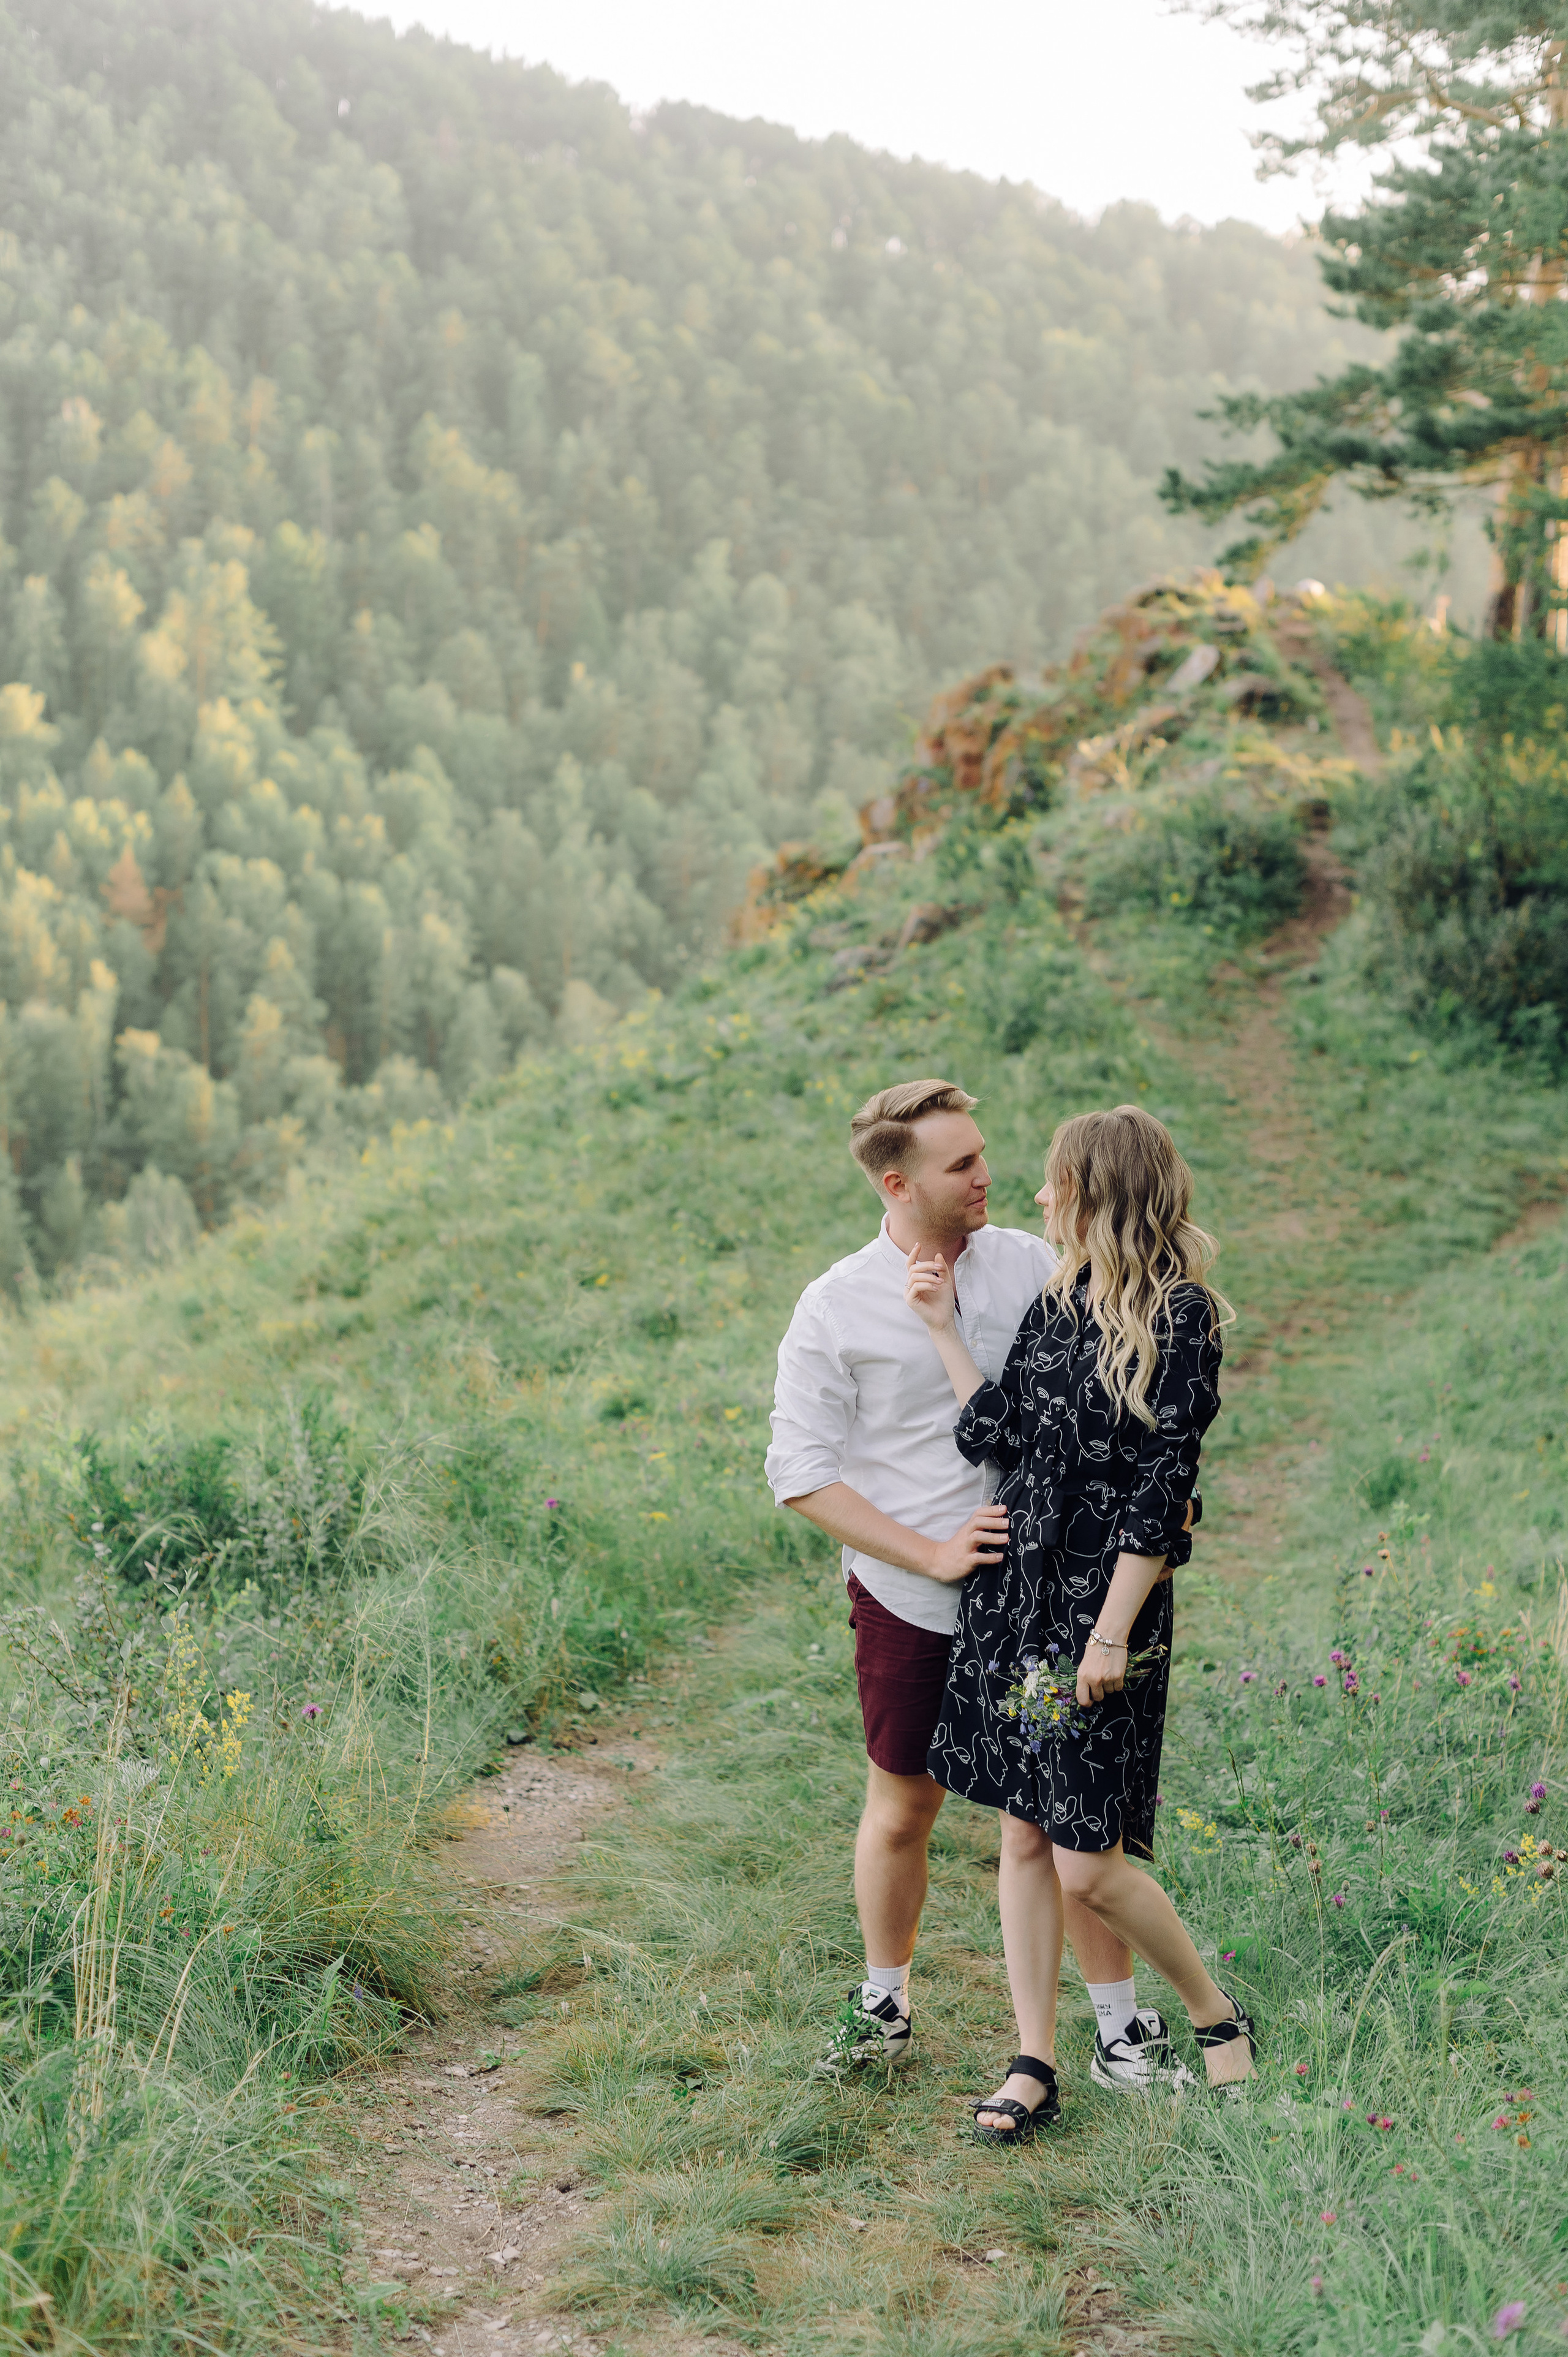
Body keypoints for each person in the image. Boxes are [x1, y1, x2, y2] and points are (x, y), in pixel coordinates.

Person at [766, 1078, 1185, 2090]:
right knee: (904, 1807)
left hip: (1044, 1601)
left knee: (1057, 1815)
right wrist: (931, 1554)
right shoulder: (836, 1305)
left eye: (986, 1153)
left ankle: (1118, 2030)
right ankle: (885, 2006)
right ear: (900, 1182)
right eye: (962, 1165)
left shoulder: (1037, 1267)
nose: (989, 1175)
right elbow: (801, 1473)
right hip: (913, 1599)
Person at [907, 1103, 1254, 2143]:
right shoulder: (1062, 1300)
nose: (1041, 1196)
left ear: (1098, 1190)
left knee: (1086, 1857)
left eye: (1058, 1181)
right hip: (1019, 1594)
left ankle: (1215, 2013)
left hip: (1108, 1606)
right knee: (1022, 1829)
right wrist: (940, 1327)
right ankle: (1035, 2063)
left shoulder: (1185, 1319)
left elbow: (1162, 1491)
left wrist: (1111, 1635)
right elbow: (1006, 1433)